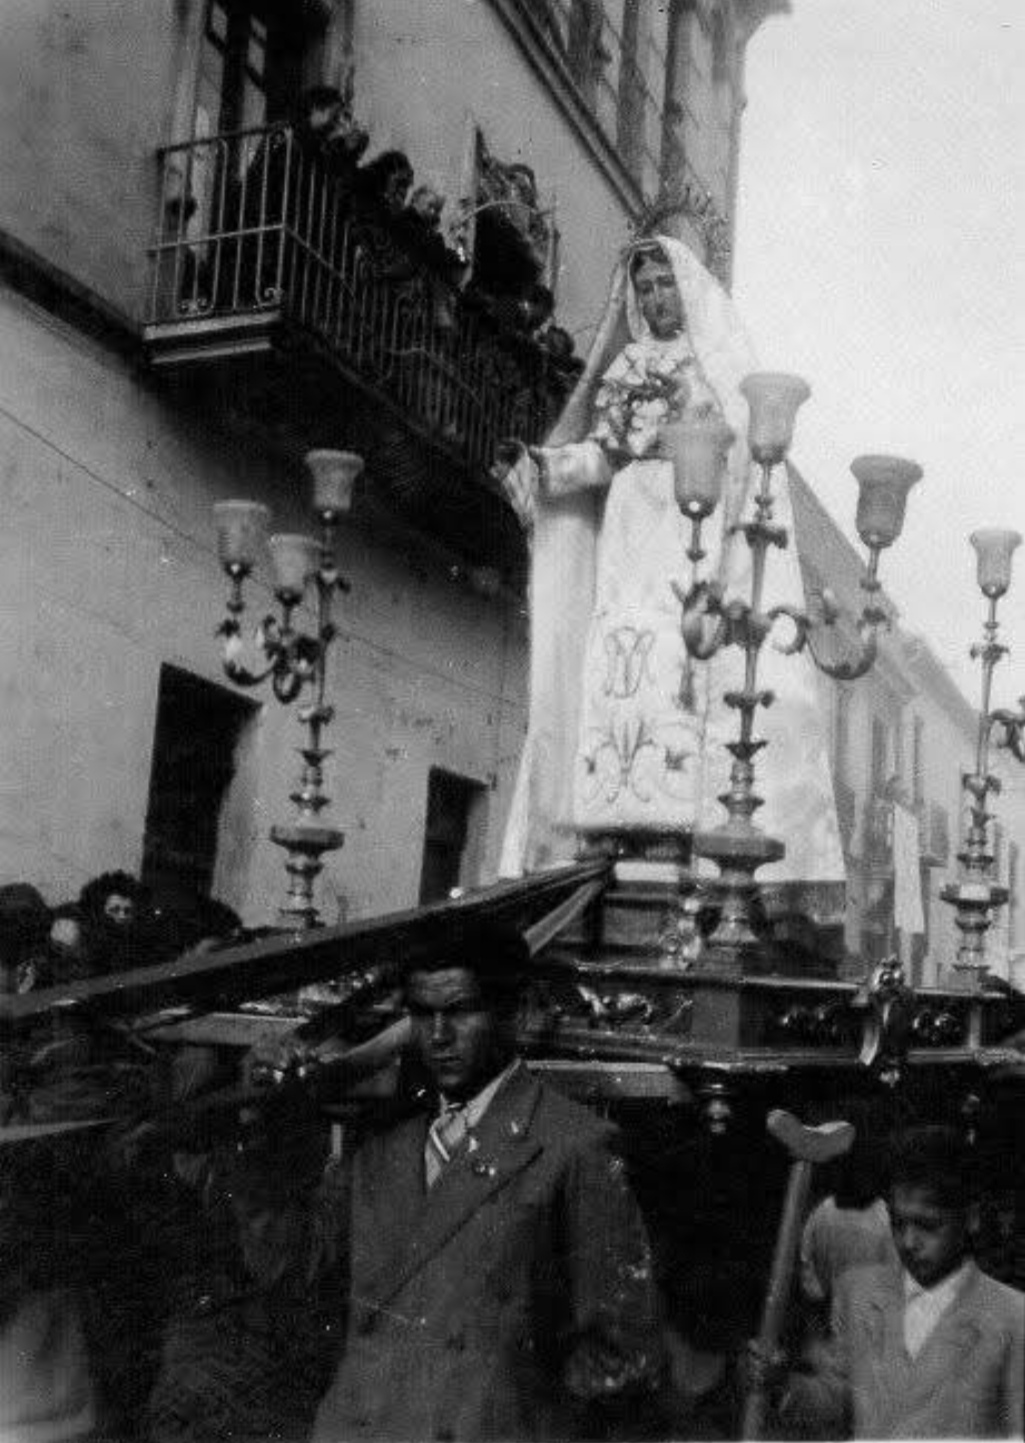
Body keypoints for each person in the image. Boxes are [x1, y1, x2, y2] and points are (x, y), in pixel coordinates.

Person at [492, 236, 843, 899]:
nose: (655, 297)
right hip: (628, 529)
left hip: (694, 526)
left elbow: (743, 463)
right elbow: (601, 456)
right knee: (616, 659)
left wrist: (695, 462)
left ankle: (679, 832)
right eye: (645, 286)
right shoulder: (623, 365)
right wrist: (545, 467)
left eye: (665, 284)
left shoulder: (714, 367)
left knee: (678, 658)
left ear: (688, 289)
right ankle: (605, 831)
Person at [242, 920, 665, 1442]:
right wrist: (266, 1121)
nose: (438, 1036)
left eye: (461, 1012)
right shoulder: (382, 1145)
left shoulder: (574, 1146)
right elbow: (289, 1269)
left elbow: (623, 1356)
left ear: (514, 1012)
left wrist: (514, 1417)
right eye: (422, 1014)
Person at [762, 1124, 1024, 1439]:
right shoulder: (858, 1292)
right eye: (898, 1223)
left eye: (928, 1226)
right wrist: (780, 1385)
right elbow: (835, 1402)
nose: (909, 1242)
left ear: (971, 1219)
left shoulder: (1011, 1316)